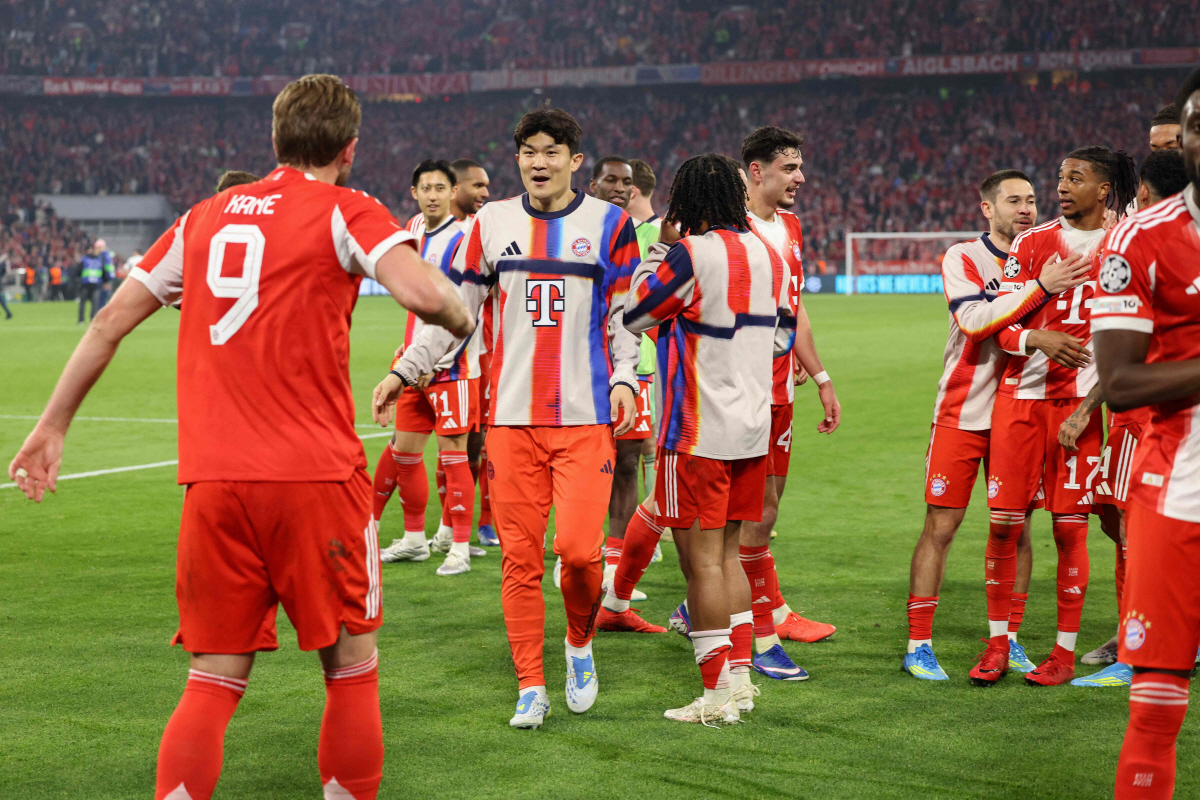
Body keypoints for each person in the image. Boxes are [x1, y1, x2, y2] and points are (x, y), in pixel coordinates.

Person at [8, 73, 473, 800]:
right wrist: (462, 317)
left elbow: (106, 323)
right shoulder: (346, 208)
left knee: (212, 681)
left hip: (215, 484)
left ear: (274, 139)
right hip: (316, 479)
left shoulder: (202, 217)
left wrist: (52, 425)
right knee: (350, 669)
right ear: (349, 149)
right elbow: (426, 294)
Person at [374, 108, 640, 729]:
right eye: (528, 152)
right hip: (512, 422)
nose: (539, 162)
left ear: (576, 160)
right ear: (517, 158)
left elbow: (622, 317)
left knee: (577, 555)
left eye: (552, 152)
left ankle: (578, 643)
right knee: (520, 560)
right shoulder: (490, 223)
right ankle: (529, 682)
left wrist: (626, 377)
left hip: (585, 418)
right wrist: (407, 370)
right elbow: (454, 312)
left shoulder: (610, 224)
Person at [903, 169, 1092, 681]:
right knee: (940, 526)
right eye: (1013, 201)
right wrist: (1039, 287)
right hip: (963, 410)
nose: (1025, 208)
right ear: (988, 207)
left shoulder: (1045, 253)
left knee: (1017, 528)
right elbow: (975, 322)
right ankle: (918, 643)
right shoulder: (963, 256)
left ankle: (1007, 639)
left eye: (1031, 199)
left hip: (1022, 409)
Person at [624, 153, 791, 724]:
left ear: (687, 201)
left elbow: (636, 313)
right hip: (752, 428)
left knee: (702, 567)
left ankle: (717, 697)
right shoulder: (770, 255)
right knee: (731, 558)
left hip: (696, 432)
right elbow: (780, 339)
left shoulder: (689, 254)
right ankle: (740, 681)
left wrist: (657, 251)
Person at [971, 146, 1138, 687]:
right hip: (1019, 400)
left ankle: (1063, 654)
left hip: (1079, 410)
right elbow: (1003, 326)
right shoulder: (1032, 242)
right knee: (1002, 527)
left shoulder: (1126, 245)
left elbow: (1131, 342)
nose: (1062, 187)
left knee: (1070, 533)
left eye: (1076, 179)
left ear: (1104, 189)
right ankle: (999, 644)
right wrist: (1036, 334)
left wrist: (1090, 407)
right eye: (1060, 178)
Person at [1095, 69, 1200, 800]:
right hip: (1181, 484)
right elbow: (1124, 383)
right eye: (1197, 122)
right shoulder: (1141, 238)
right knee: (1157, 693)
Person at [1071, 148, 1190, 689]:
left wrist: (1086, 406)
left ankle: (1136, 647)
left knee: (1131, 531)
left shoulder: (1136, 242)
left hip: (1149, 421)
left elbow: (1124, 366)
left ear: (1142, 190)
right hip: (1148, 417)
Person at [375, 159, 487, 576]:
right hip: (411, 361)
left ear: (452, 192)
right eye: (426, 188)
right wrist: (409, 356)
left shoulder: (464, 238)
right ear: (414, 193)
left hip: (452, 365)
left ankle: (459, 545)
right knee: (405, 453)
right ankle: (414, 539)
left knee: (455, 455)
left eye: (441, 188)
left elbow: (465, 308)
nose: (434, 195)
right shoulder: (413, 230)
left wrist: (438, 358)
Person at [584, 154, 653, 600]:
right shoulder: (575, 229)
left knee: (628, 462)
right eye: (610, 180)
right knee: (585, 464)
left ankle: (612, 565)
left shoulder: (641, 234)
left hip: (635, 368)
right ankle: (576, 554)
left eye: (625, 182)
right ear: (591, 183)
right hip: (582, 370)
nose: (618, 187)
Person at [450, 157, 498, 547]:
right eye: (478, 186)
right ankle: (449, 525)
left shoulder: (485, 230)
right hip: (446, 350)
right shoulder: (421, 228)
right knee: (451, 442)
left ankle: (484, 522)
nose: (486, 193)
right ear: (456, 187)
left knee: (480, 440)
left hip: (483, 351)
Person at [76, 242, 104, 323]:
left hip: (92, 285)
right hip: (87, 285)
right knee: (87, 303)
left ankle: (89, 319)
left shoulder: (85, 260)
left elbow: (78, 271)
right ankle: (83, 319)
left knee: (92, 304)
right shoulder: (97, 260)